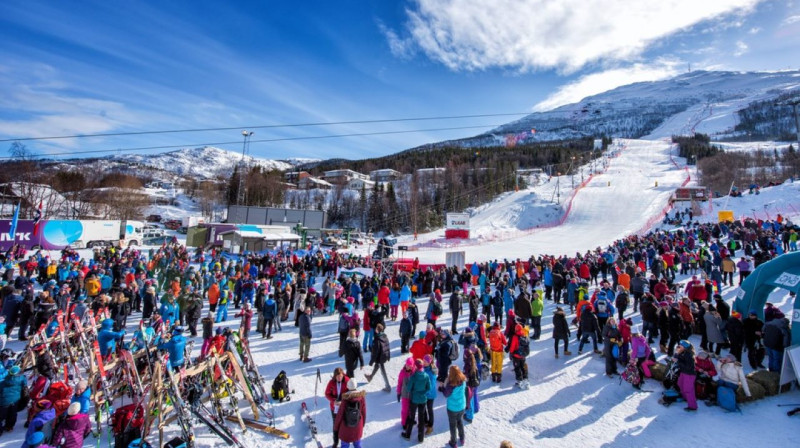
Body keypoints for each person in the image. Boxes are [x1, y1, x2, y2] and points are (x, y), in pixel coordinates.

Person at [401, 358, 430, 443]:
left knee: (411, 417)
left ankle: (408, 435)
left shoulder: (414, 376)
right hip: (423, 400)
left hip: (414, 399)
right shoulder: (426, 375)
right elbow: (429, 388)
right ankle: (421, 438)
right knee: (421, 419)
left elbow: (409, 388)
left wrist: (414, 390)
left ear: (416, 367)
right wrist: (422, 392)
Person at [333, 378, 366, 448]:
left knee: (345, 445)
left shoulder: (345, 399)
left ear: (348, 387)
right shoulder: (361, 397)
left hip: (345, 428)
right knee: (358, 444)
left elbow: (340, 415)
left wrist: (336, 427)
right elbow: (364, 412)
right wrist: (362, 424)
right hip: (358, 425)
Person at [442, 365, 467, 448]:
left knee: (453, 425)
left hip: (452, 408)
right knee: (460, 422)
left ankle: (453, 442)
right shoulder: (463, 380)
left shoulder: (451, 385)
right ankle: (462, 438)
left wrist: (443, 387)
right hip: (461, 406)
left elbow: (446, 394)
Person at [325, 368, 350, 448]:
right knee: (335, 424)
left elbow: (350, 392)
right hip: (334, 407)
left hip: (344, 406)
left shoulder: (346, 380)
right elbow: (327, 394)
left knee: (344, 423)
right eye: (338, 377)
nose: (339, 378)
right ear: (335, 376)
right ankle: (335, 442)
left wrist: (345, 400)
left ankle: (344, 440)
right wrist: (333, 400)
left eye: (341, 376)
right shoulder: (331, 383)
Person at [365, 323, 391, 392]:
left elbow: (375, 353)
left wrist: (371, 361)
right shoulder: (385, 337)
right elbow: (387, 347)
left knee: (383, 371)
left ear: (377, 330)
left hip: (380, 358)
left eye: (376, 328)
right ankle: (370, 377)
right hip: (384, 356)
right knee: (377, 366)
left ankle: (388, 386)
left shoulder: (377, 340)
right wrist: (388, 356)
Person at [0, 365, 26, 433]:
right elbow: (25, 385)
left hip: (4, 401)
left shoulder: (4, 381)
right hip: (15, 400)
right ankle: (9, 426)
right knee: (12, 414)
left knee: (1, 416)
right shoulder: (22, 379)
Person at [673, 340, 697, 411]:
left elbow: (688, 367)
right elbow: (677, 358)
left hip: (689, 374)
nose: (679, 346)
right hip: (683, 372)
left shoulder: (689, 355)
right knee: (680, 384)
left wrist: (677, 361)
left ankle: (692, 406)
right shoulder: (682, 352)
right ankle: (686, 398)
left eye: (681, 345)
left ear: (685, 347)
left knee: (688, 389)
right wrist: (677, 353)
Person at [508, 323, 530, 388]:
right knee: (523, 367)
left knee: (517, 368)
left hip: (516, 355)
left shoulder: (515, 337)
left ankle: (519, 380)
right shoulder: (524, 335)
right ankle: (525, 379)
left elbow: (512, 347)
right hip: (523, 355)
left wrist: (511, 352)